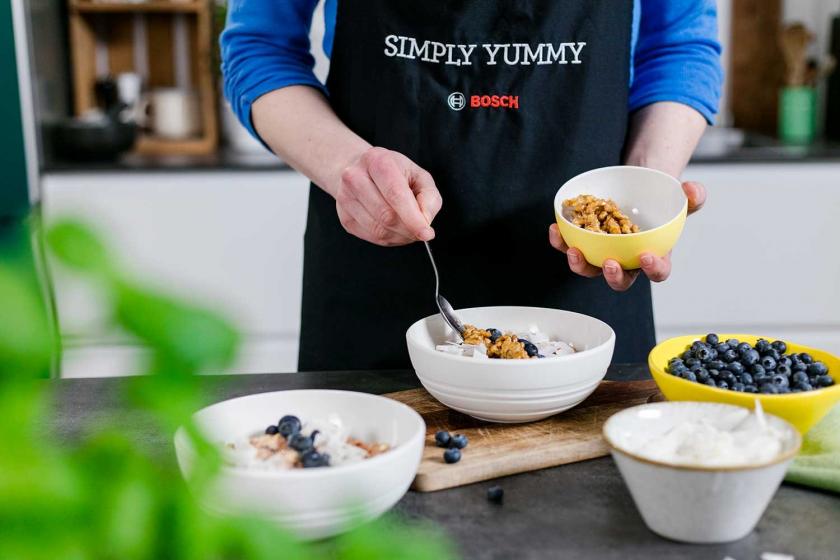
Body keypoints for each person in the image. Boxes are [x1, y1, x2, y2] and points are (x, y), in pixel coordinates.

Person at [221, 0, 722, 371]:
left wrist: (640, 193)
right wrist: (347, 165)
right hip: (376, 270)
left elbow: (680, 47)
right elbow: (258, 46)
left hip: (583, 275)